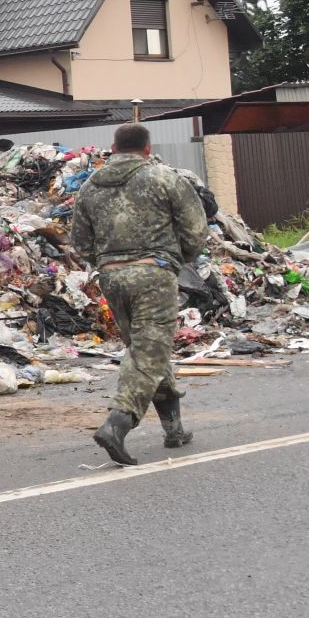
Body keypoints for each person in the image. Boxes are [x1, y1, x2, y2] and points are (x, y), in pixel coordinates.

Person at [69, 122, 210, 465]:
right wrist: (181, 259)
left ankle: (174, 429)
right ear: (147, 149)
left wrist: (109, 261)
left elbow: (80, 242)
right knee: (149, 351)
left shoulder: (89, 186)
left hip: (112, 277)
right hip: (153, 273)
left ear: (114, 148)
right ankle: (118, 422)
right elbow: (196, 228)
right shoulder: (164, 177)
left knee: (146, 349)